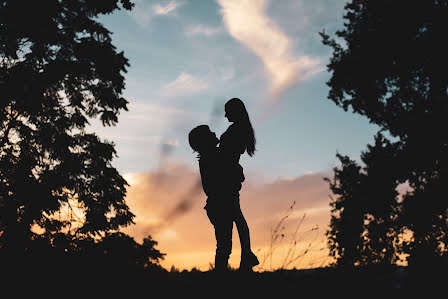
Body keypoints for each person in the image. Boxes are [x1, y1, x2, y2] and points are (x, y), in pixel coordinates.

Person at [188, 125, 245, 272]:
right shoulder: (212, 158)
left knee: (224, 245)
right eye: (210, 133)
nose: (214, 133)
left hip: (217, 205)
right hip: (220, 205)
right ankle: (220, 277)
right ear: (205, 141)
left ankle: (221, 275)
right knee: (224, 246)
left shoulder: (214, 156)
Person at [219, 97, 259, 270]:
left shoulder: (236, 130)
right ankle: (246, 254)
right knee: (236, 216)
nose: (225, 115)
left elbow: (227, 155)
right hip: (230, 175)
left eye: (228, 111)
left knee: (236, 217)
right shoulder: (239, 129)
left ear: (234, 111)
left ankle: (246, 254)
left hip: (228, 177)